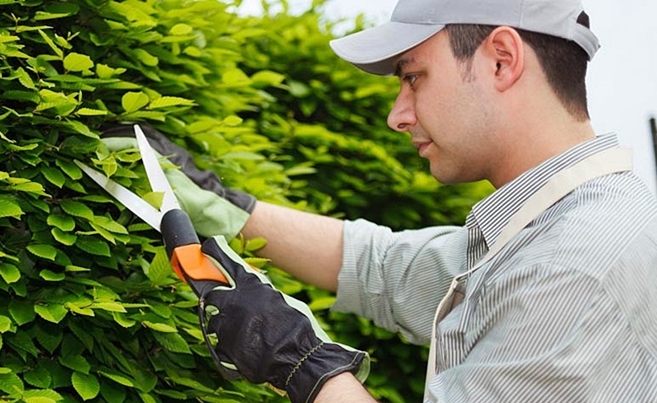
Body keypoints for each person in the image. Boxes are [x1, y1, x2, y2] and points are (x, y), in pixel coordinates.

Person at [102, 0, 657, 401]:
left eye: (413, 77)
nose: (398, 114)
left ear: (502, 60)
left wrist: (304, 366)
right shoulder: (557, 224)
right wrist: (228, 209)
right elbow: (380, 265)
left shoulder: (574, 265)